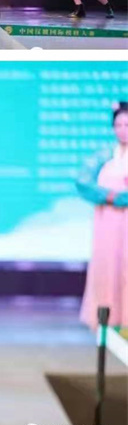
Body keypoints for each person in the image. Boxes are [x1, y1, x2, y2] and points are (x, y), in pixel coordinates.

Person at [76, 102, 128, 330]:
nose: (123, 130)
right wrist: (109, 195)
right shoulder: (103, 156)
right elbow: (83, 182)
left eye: (127, 124)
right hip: (108, 219)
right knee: (107, 266)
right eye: (118, 125)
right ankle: (107, 319)